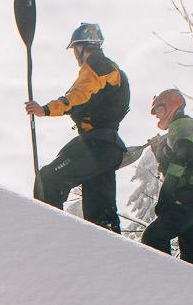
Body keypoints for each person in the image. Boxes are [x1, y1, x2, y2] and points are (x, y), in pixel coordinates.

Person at [26, 23, 129, 231]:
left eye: (75, 50)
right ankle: (107, 253)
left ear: (82, 47)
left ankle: (50, 234)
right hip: (109, 148)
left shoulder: (96, 66)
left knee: (47, 180)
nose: (75, 56)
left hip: (96, 145)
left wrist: (45, 109)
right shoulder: (110, 69)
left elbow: (79, 97)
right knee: (100, 217)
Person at [134, 88, 193, 269]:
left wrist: (167, 194)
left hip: (187, 197)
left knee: (153, 237)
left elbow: (182, 157)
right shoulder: (180, 129)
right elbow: (176, 160)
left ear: (172, 106)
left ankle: (165, 283)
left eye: (160, 110)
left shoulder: (183, 125)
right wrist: (159, 150)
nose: (157, 116)